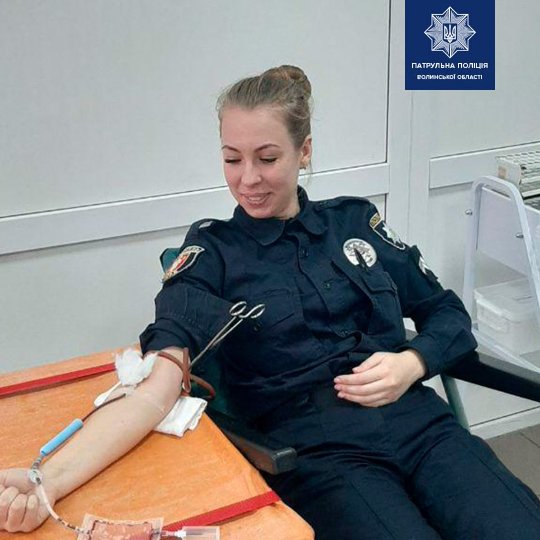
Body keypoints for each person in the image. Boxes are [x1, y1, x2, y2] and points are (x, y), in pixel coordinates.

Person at [1, 65, 540, 539]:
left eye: (267, 158)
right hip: (322, 456)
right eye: (232, 159)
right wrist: (47, 480)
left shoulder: (355, 223)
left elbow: (446, 312)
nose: (248, 179)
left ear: (304, 151)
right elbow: (157, 387)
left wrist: (413, 362)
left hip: (421, 425)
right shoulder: (213, 252)